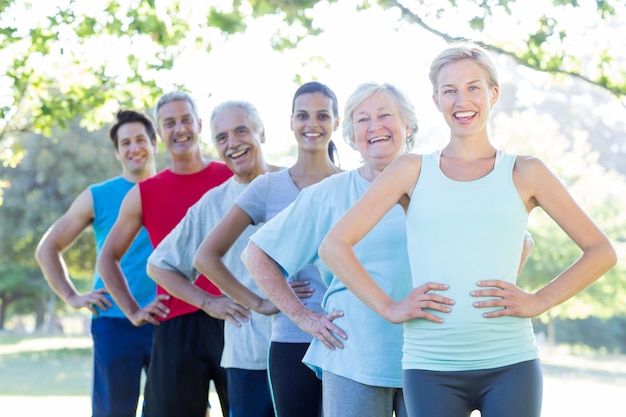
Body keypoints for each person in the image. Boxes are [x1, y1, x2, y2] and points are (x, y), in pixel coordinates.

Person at [318, 43, 618, 417]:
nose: (462, 100)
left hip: (511, 363)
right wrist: (390, 307)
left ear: (493, 93)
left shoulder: (525, 172)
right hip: (430, 367)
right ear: (436, 100)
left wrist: (538, 301)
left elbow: (601, 251)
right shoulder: (411, 171)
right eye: (450, 90)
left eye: (473, 87)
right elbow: (335, 246)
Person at [240, 82, 420, 417]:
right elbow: (256, 254)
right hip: (352, 355)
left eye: (385, 115)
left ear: (407, 125)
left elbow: (511, 242)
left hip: (429, 354)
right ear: (351, 135)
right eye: (363, 120)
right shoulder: (327, 195)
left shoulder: (437, 184)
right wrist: (302, 316)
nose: (375, 126)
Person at [193, 82, 342, 417]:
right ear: (291, 122)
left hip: (347, 335)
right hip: (291, 340)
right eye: (302, 115)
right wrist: (262, 302)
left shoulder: (353, 184)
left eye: (322, 115)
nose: (312, 123)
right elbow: (206, 256)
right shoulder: (268, 187)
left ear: (337, 121)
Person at [98, 92, 234, 417]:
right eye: (169, 123)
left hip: (233, 317)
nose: (180, 129)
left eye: (186, 119)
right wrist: (132, 310)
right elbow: (107, 258)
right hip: (175, 325)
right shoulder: (144, 193)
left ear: (199, 125)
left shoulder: (231, 177)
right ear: (160, 133)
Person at [146, 100, 284, 417]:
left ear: (261, 132)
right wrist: (209, 303)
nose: (232, 144)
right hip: (248, 355)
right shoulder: (213, 203)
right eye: (222, 138)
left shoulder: (297, 184)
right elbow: (159, 265)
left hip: (307, 350)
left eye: (241, 131)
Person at [35, 109, 165, 417]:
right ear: (118, 151)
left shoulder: (172, 188)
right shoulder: (97, 196)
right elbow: (47, 249)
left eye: (140, 139)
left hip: (167, 319)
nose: (134, 148)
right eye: (125, 143)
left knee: (174, 408)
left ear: (154, 143)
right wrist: (71, 296)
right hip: (114, 321)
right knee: (113, 412)